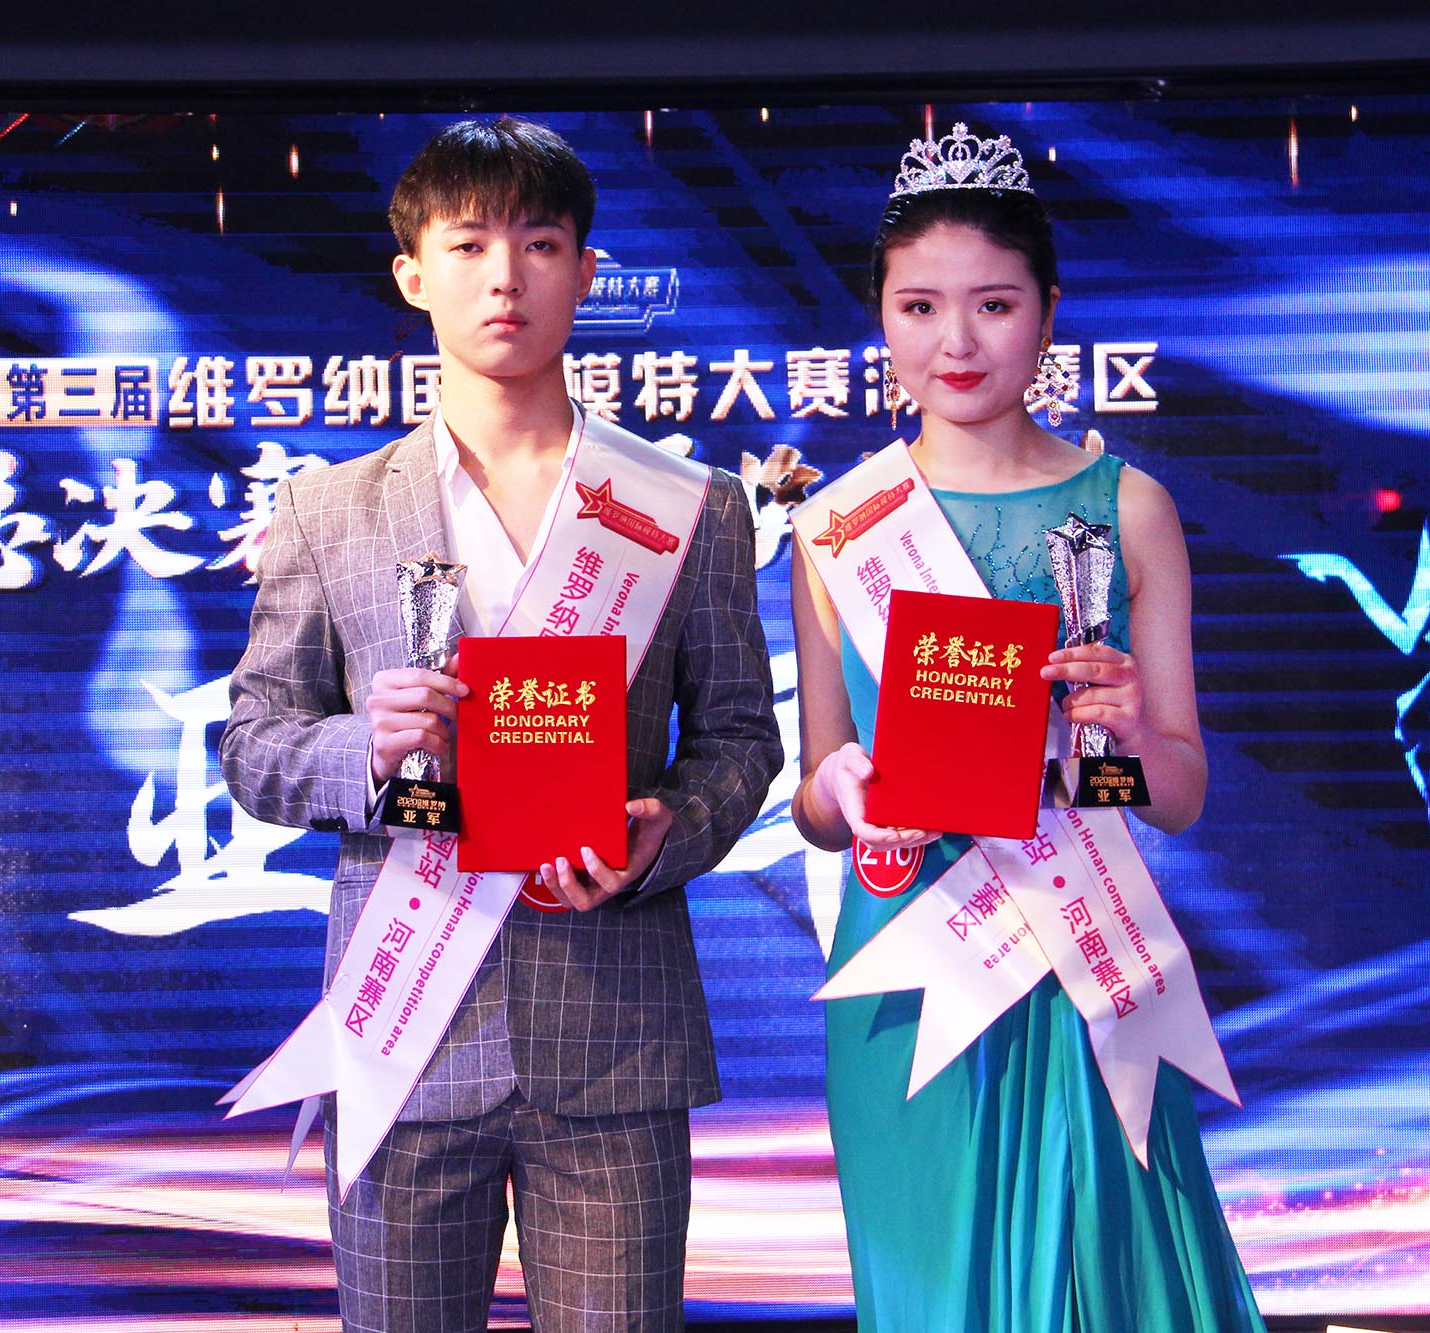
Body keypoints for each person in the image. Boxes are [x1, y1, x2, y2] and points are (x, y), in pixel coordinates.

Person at [222, 117, 782, 1333]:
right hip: (402, 1030)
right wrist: (364, 749)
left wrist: (670, 828)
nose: (503, 277)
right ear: (411, 274)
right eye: (467, 244)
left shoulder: (687, 504)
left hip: (614, 1035)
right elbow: (255, 743)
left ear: (585, 273)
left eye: (538, 243)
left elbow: (743, 735)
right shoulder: (328, 510)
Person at [789, 125, 1264, 1331]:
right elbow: (813, 801)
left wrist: (1122, 736)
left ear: (1047, 314)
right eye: (919, 306)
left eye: (992, 305)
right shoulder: (837, 525)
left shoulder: (1128, 508)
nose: (954, 342)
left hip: (1079, 960)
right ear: (880, 318)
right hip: (910, 962)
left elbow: (1180, 790)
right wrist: (841, 792)